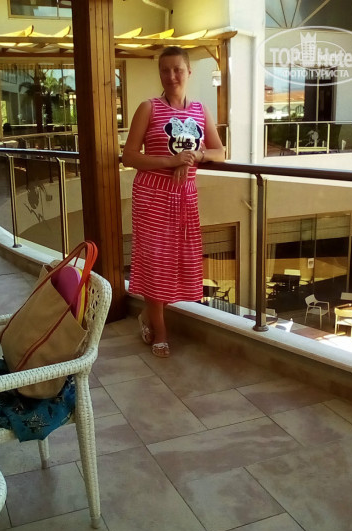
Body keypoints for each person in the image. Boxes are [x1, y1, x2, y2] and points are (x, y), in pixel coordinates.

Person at [122, 46, 225, 358]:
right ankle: (161, 332)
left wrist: (196, 155)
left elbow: (220, 152)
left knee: (176, 262)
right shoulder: (148, 108)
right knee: (156, 262)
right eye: (165, 70)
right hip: (152, 195)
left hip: (185, 196)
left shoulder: (201, 110)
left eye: (177, 69)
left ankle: (147, 315)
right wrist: (172, 161)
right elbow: (129, 156)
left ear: (189, 72)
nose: (171, 76)